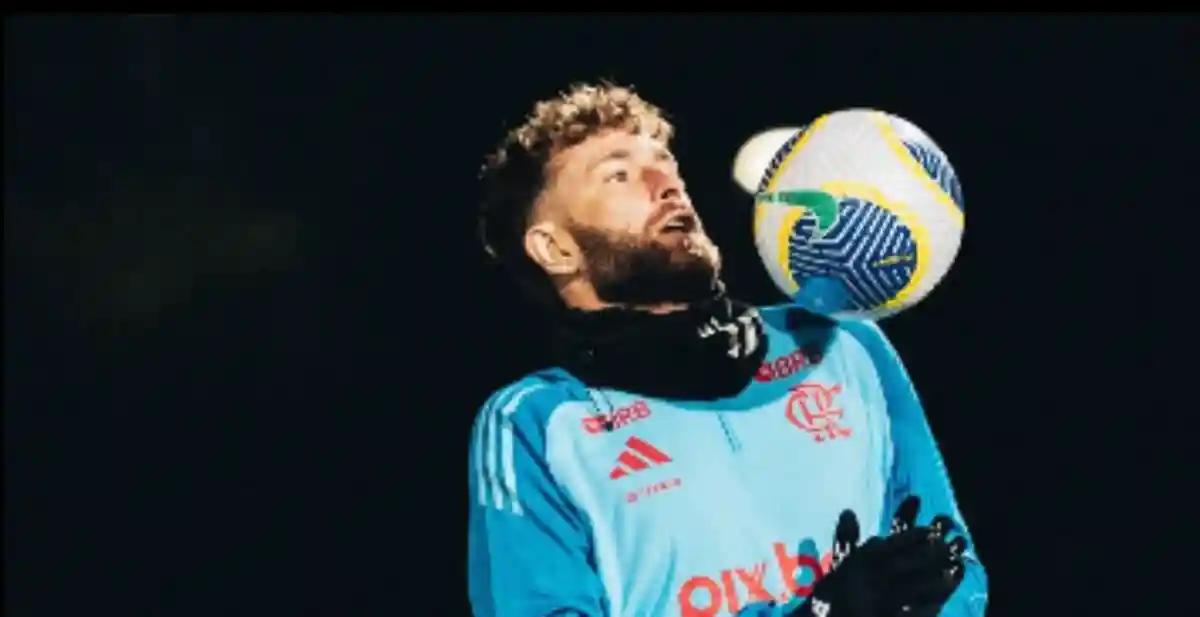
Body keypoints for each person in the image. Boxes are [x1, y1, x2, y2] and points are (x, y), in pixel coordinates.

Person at [467, 82, 988, 617]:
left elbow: (958, 574)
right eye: (619, 174)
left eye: (667, 164)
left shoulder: (842, 345)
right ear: (555, 249)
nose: (665, 184)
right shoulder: (537, 423)